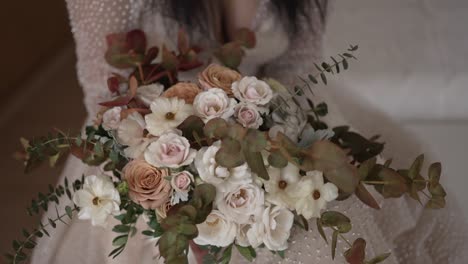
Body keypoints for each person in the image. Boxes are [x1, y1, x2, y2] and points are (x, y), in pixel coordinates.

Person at [31, 0, 468, 263]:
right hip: (146, 146)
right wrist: (189, 179)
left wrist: (274, 157)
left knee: (322, 218)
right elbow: (104, 98)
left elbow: (296, 68)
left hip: (270, 124)